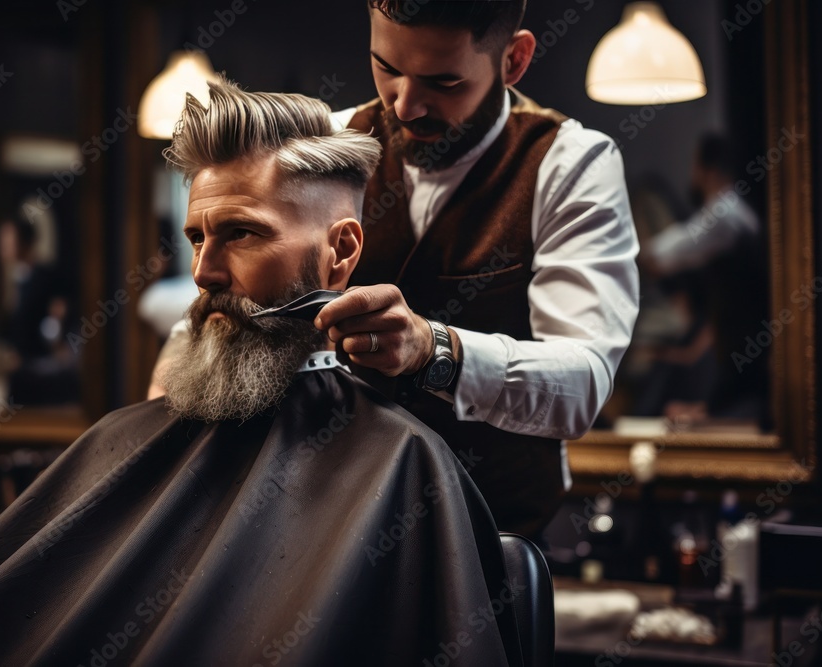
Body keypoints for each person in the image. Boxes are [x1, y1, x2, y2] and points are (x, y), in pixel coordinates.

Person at [0, 79, 523, 667]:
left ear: (341, 251)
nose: (203, 272)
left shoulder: (402, 464)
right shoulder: (131, 434)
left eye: (242, 233)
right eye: (198, 237)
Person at [270, 0, 641, 538]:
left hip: (492, 536)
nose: (405, 106)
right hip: (326, 526)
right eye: (387, 69)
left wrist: (433, 350)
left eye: (443, 83)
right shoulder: (327, 145)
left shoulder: (571, 165)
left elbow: (582, 385)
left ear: (513, 60)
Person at [639, 133, 767, 422]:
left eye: (694, 163)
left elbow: (669, 253)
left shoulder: (725, 214)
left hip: (743, 344)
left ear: (706, 169)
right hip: (737, 349)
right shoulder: (738, 213)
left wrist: (640, 251)